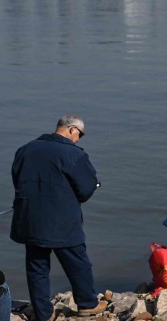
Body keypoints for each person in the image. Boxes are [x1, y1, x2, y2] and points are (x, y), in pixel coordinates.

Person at [10, 115, 107, 320]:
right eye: (79, 134)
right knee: (78, 263)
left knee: (36, 268)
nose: (79, 140)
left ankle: (43, 313)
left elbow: (17, 180)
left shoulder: (25, 150)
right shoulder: (73, 154)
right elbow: (86, 189)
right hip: (62, 222)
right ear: (71, 129)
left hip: (30, 220)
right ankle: (87, 304)